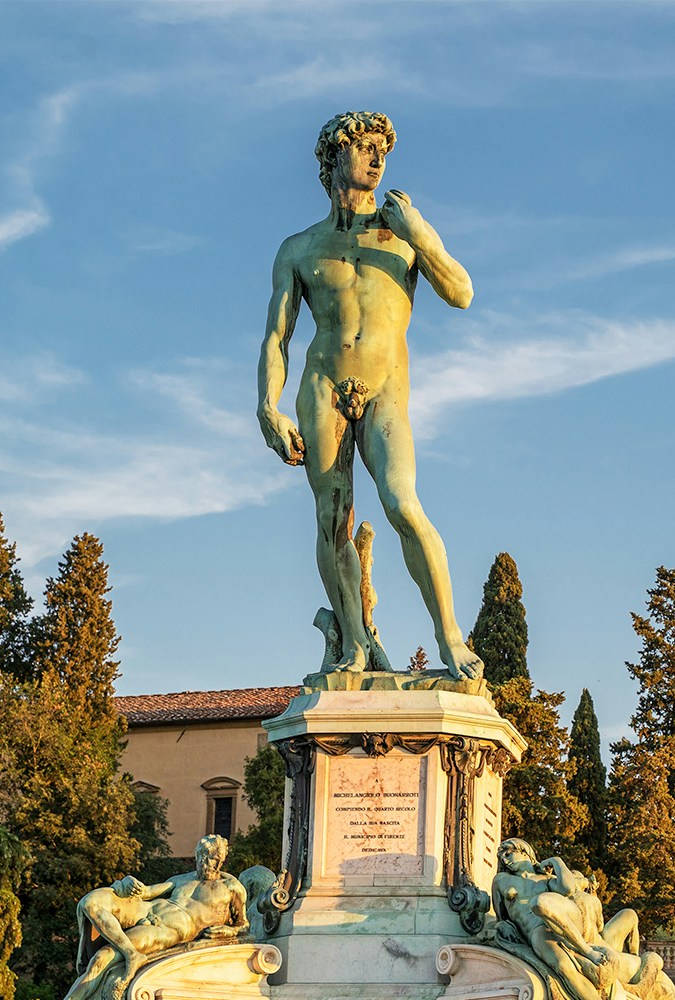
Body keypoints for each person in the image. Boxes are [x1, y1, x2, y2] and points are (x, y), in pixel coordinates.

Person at [256, 111, 483, 681]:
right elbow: (276, 337)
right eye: (364, 147)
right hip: (322, 384)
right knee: (331, 518)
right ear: (334, 158)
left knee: (403, 503)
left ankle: (451, 639)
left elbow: (461, 293)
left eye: (383, 149)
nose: (377, 158)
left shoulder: (402, 235)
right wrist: (267, 407)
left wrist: (420, 232)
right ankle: (354, 643)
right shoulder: (300, 247)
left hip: (384, 386)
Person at [64, 834, 249, 1000]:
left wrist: (229, 929)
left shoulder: (232, 887)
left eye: (217, 860)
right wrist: (127, 881)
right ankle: (132, 954)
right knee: (90, 902)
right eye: (207, 858)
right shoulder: (182, 879)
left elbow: (244, 924)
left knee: (101, 958)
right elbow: (146, 892)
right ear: (198, 856)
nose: (212, 865)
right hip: (147, 909)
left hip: (166, 930)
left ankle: (128, 956)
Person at [491, 839, 675, 1000]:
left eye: (508, 854)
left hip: (560, 926)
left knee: (542, 902)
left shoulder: (545, 879)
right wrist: (502, 925)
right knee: (565, 968)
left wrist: (555, 861)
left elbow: (567, 889)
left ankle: (587, 951)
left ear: (524, 852)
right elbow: (500, 916)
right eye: (502, 858)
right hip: (537, 932)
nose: (505, 861)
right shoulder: (501, 880)